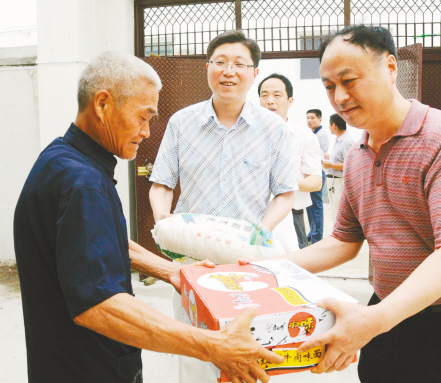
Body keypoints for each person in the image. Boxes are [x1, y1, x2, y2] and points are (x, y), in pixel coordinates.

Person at [244, 25, 441, 383]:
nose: (339, 96)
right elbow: (343, 242)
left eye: (349, 80)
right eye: (329, 86)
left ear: (391, 67)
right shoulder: (357, 156)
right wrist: (263, 268)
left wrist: (374, 321)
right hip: (386, 309)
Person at [13, 51, 283, 383]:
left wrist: (174, 270)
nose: (146, 132)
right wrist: (213, 345)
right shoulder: (84, 185)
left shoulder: (62, 158)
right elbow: (100, 306)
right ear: (103, 104)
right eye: (143, 117)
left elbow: (93, 242)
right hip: (87, 368)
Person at [148, 30, 296, 383]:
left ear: (254, 72)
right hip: (192, 260)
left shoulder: (274, 129)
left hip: (248, 261)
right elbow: (161, 183)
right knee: (195, 350)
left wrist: (262, 230)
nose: (229, 71)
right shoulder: (182, 123)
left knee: (250, 350)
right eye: (221, 62)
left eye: (240, 64)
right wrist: (164, 223)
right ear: (208, 68)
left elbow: (286, 192)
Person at [258, 73, 323, 250]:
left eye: (277, 95)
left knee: (293, 264)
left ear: (290, 100)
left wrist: (283, 185)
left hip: (292, 215)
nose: (270, 101)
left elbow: (316, 181)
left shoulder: (304, 137)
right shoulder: (247, 136)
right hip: (254, 213)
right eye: (264, 95)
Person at [322, 113, 355, 224]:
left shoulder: (347, 141)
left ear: (334, 125)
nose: (329, 127)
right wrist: (323, 155)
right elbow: (337, 158)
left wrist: (331, 165)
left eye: (329, 125)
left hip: (339, 182)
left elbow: (350, 164)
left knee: (339, 215)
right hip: (332, 182)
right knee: (334, 213)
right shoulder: (339, 139)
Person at [305, 108, 328, 243]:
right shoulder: (314, 133)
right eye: (308, 118)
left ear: (320, 119)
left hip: (317, 173)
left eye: (312, 118)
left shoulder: (320, 135)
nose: (309, 120)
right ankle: (313, 233)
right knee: (311, 206)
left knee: (316, 207)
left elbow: (316, 157)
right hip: (314, 172)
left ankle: (317, 237)